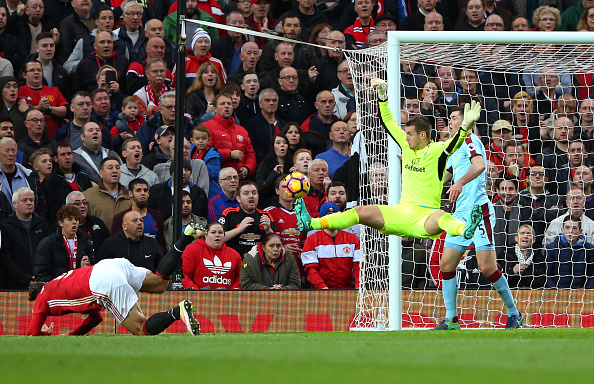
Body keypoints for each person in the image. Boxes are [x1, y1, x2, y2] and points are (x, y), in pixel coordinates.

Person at [295, 79, 483, 244]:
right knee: (359, 211)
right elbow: (388, 121)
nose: (406, 137)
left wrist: (466, 125)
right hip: (400, 213)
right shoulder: (406, 146)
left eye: (410, 134)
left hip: (425, 216)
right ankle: (311, 223)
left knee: (442, 218)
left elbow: (456, 141)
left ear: (423, 134)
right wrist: (382, 98)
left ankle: (464, 230)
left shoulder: (437, 151)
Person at [26, 222, 204, 336]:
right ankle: (184, 237)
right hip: (110, 266)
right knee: (160, 283)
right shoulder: (58, 281)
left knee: (142, 330)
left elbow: (32, 333)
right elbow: (96, 319)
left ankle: (177, 312)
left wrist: (46, 334)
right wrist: (73, 336)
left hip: (102, 282)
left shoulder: (42, 297)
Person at [434, 105, 522, 330]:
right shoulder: (452, 147)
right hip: (461, 214)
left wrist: (460, 183)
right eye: (450, 119)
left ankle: (514, 312)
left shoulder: (469, 139)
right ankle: (452, 319)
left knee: (487, 268)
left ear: (466, 122)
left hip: (478, 211)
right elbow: (442, 176)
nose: (450, 122)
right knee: (446, 265)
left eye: (454, 118)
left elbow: (480, 165)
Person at [301, 202, 360, 289]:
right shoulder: (311, 240)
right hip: (320, 292)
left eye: (335, 215)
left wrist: (358, 286)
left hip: (347, 291)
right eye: (328, 215)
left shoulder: (352, 239)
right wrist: (322, 287)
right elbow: (310, 269)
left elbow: (358, 266)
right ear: (322, 219)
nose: (332, 218)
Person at [0, 187, 49, 289]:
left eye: (31, 200)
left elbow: (48, 253)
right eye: (24, 200)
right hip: (15, 284)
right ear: (15, 204)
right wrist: (25, 278)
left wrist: (40, 276)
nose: (29, 203)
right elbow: (7, 258)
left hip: (41, 282)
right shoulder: (6, 226)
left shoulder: (43, 224)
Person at [33, 205, 93, 282]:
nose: (74, 222)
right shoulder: (48, 243)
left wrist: (87, 269)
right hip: (57, 289)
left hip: (79, 286)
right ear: (61, 223)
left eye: (77, 219)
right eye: (70, 219)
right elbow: (41, 274)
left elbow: (94, 268)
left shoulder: (85, 241)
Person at [203, 93, 257, 178]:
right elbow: (205, 151)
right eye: (222, 104)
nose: (226, 106)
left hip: (239, 180)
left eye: (229, 104)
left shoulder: (242, 130)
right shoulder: (206, 127)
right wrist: (229, 154)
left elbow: (250, 154)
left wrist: (247, 168)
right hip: (217, 179)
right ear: (215, 108)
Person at [218, 180, 275, 258]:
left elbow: (276, 243)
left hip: (259, 261)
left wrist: (268, 230)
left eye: (254, 193)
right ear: (238, 199)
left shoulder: (265, 215)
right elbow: (218, 238)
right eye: (246, 193)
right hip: (233, 260)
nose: (251, 196)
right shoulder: (229, 213)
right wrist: (239, 229)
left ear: (258, 197)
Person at [182, 221, 242, 289]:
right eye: (213, 232)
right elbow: (184, 276)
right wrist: (197, 293)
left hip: (227, 298)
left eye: (220, 232)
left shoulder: (235, 254)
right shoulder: (192, 250)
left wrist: (233, 293)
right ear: (205, 234)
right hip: (199, 297)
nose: (217, 235)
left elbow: (241, 278)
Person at [42, 141, 93, 222]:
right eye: (62, 155)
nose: (67, 157)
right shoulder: (50, 182)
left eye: (69, 154)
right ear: (56, 159)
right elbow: (51, 211)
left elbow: (91, 203)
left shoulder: (83, 177)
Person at [98, 210, 163, 272]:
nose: (140, 223)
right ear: (124, 226)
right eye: (135, 220)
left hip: (146, 282)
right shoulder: (111, 243)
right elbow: (99, 268)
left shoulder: (151, 243)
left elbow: (162, 267)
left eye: (141, 220)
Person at [111, 178, 166, 251]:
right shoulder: (120, 218)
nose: (143, 193)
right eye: (138, 190)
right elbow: (115, 244)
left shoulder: (157, 216)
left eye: (145, 190)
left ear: (148, 194)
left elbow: (161, 243)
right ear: (130, 193)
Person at [18, 59, 67, 138]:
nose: (36, 72)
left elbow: (65, 110)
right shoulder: (20, 91)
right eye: (32, 70)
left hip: (52, 138)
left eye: (39, 70)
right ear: (24, 75)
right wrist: (38, 108)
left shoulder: (54, 90)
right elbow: (18, 114)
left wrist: (49, 108)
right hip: (28, 139)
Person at [83, 156, 132, 232]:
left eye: (118, 168)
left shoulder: (130, 195)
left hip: (126, 241)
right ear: (101, 173)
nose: (115, 171)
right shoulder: (88, 196)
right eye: (110, 168)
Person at [545, 216, 594, 289]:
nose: (570, 231)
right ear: (562, 230)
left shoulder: (589, 249)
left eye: (574, 228)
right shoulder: (551, 248)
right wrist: (555, 292)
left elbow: (592, 275)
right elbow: (546, 276)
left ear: (580, 231)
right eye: (567, 227)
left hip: (581, 294)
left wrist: (586, 292)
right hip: (557, 294)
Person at [501, 224, 547, 288]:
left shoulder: (539, 258)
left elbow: (541, 282)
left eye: (529, 234)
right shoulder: (505, 255)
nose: (525, 236)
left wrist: (524, 273)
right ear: (516, 238)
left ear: (534, 240)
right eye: (522, 233)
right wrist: (512, 272)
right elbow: (499, 281)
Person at [255, 134, 291, 206]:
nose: (282, 145)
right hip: (270, 204)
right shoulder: (264, 165)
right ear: (273, 147)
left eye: (285, 143)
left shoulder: (292, 165)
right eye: (278, 143)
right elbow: (261, 190)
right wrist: (274, 173)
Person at [190, 125, 223, 199]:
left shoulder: (214, 156)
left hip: (211, 189)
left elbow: (213, 173)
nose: (201, 141)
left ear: (208, 140)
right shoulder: (191, 152)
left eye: (204, 138)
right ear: (192, 140)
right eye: (197, 138)